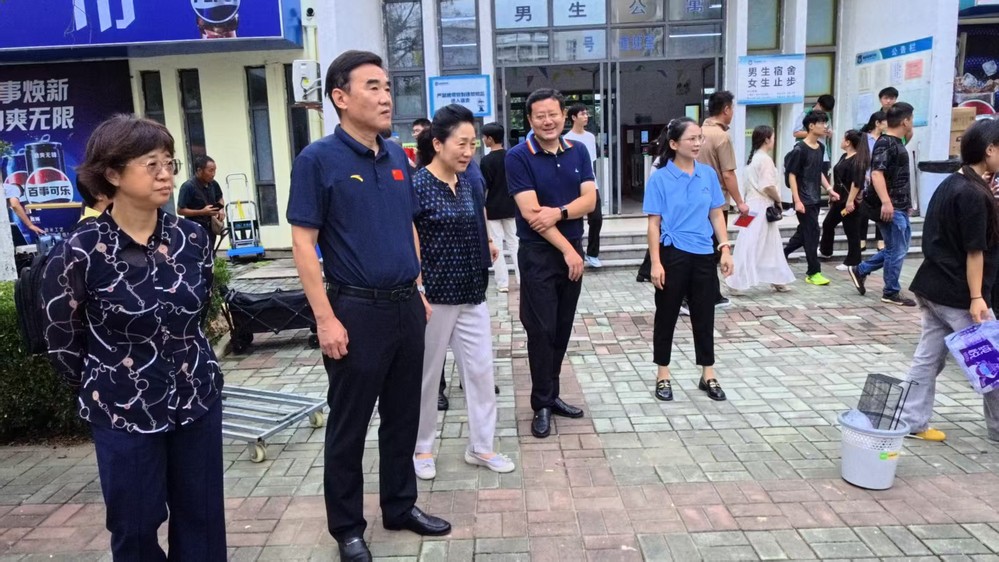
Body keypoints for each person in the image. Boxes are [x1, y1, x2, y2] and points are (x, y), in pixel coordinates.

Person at [287, 50, 451, 562]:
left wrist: (419, 286)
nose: (386, 97)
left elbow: (407, 226)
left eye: (387, 87)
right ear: (340, 97)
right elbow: (302, 243)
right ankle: (347, 528)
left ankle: (400, 506)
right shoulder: (318, 160)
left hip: (406, 306)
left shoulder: (398, 156)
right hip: (354, 312)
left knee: (403, 416)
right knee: (350, 424)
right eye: (373, 87)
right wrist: (325, 319)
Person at [40, 114, 225, 560]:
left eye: (169, 162)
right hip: (121, 408)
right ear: (112, 173)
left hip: (196, 398)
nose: (165, 174)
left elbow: (197, 312)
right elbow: (62, 338)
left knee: (201, 518)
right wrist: (104, 382)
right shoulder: (80, 250)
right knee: (135, 526)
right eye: (151, 164)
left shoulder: (192, 239)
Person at [411, 104, 515, 480]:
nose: (468, 151)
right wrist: (417, 286)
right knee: (427, 376)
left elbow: (478, 216)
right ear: (438, 143)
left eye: (473, 144)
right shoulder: (417, 186)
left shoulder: (469, 182)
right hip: (434, 296)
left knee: (481, 371)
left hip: (472, 291)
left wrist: (487, 240)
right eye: (461, 143)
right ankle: (422, 447)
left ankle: (481, 446)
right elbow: (410, 238)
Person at [896, 118, 999, 443]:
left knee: (927, 359)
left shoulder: (955, 182)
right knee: (991, 360)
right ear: (990, 149)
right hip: (959, 293)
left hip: (933, 286)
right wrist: (977, 298)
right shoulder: (972, 193)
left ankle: (911, 420)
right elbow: (974, 251)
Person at [505, 88, 597, 439]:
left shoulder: (578, 150)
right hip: (539, 255)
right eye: (540, 116)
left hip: (571, 250)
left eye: (553, 114)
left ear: (564, 116)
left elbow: (590, 200)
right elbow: (532, 215)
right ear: (529, 120)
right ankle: (541, 403)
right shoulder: (518, 157)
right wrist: (568, 250)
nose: (548, 121)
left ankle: (552, 394)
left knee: (561, 327)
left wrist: (558, 212)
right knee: (540, 330)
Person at [645, 117, 734, 403]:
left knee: (704, 314)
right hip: (672, 254)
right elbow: (653, 224)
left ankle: (708, 373)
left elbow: (716, 213)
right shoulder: (659, 178)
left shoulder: (707, 174)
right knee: (667, 314)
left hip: (704, 253)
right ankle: (663, 374)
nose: (697, 143)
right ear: (674, 144)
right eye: (691, 139)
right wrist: (656, 263)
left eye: (699, 138)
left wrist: (725, 248)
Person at [848, 102, 918, 307]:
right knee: (896, 250)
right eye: (911, 119)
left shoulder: (897, 142)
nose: (912, 123)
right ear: (905, 121)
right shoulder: (885, 143)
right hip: (890, 206)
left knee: (897, 248)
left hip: (900, 205)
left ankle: (860, 270)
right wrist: (887, 202)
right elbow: (877, 173)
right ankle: (890, 291)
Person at [725, 125, 794, 292]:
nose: (774, 141)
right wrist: (779, 200)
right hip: (762, 206)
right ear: (767, 139)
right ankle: (738, 280)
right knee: (758, 243)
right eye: (773, 137)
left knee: (752, 242)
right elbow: (767, 185)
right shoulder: (765, 159)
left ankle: (775, 278)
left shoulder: (753, 159)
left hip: (751, 205)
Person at [699, 90, 747, 308]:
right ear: (726, 109)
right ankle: (708, 295)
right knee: (714, 249)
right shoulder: (721, 136)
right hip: (716, 202)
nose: (733, 112)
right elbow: (728, 174)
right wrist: (740, 201)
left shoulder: (697, 133)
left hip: (695, 201)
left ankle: (710, 293)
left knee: (703, 248)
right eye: (732, 108)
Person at [783, 111, 839, 285]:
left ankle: (781, 255)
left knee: (804, 232)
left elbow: (819, 172)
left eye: (825, 122)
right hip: (803, 200)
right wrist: (797, 200)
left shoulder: (820, 147)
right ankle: (813, 271)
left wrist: (829, 189)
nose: (825, 126)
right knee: (813, 233)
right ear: (811, 126)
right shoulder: (799, 149)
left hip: (815, 198)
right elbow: (792, 175)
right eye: (821, 123)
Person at [821, 130, 871, 269]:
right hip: (839, 199)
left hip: (849, 201)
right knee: (828, 224)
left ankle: (853, 261)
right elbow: (839, 178)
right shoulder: (844, 156)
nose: (841, 141)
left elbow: (856, 183)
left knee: (852, 231)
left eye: (843, 138)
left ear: (848, 142)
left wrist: (850, 201)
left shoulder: (857, 160)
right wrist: (832, 192)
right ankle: (826, 251)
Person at [563, 104, 603, 268]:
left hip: (590, 183)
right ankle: (573, 252)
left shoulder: (591, 137)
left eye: (587, 114)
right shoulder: (566, 138)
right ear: (573, 117)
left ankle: (592, 253)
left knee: (596, 219)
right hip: (572, 184)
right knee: (573, 219)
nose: (586, 117)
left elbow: (591, 161)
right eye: (582, 114)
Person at [481, 122, 519, 292]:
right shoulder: (512, 157)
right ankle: (522, 279)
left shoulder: (486, 161)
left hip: (493, 208)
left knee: (496, 245)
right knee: (515, 243)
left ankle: (502, 283)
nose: (483, 140)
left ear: (490, 139)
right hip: (511, 206)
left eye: (484, 137)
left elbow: (485, 187)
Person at [177, 155, 225, 254]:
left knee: (210, 254)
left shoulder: (213, 184)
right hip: (194, 229)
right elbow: (180, 210)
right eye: (210, 171)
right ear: (199, 170)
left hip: (211, 227)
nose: (213, 174)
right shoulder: (188, 187)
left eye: (214, 170)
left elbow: (220, 198)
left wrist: (221, 209)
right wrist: (202, 212)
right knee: (198, 255)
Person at [859, 111, 888, 252]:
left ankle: (880, 239)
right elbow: (858, 158)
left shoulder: (886, 139)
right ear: (877, 123)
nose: (888, 124)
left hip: (881, 179)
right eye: (885, 121)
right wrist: (863, 175)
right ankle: (861, 238)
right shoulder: (863, 138)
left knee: (880, 208)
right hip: (865, 178)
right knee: (863, 210)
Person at [794, 94, 836, 171]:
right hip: (808, 153)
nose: (823, 112)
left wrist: (829, 133)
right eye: (822, 109)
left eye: (826, 111)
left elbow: (829, 134)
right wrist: (815, 133)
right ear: (818, 104)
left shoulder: (827, 116)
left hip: (824, 155)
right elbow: (796, 133)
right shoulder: (806, 113)